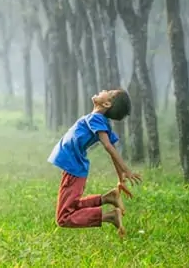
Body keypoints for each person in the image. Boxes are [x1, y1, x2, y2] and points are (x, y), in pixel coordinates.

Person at [47, 89, 142, 237]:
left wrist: (125, 169)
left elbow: (109, 146)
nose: (103, 90)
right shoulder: (100, 120)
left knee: (63, 218)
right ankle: (107, 198)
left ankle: (110, 217)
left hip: (74, 168)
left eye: (108, 92)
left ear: (106, 103)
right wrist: (120, 178)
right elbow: (112, 148)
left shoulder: (96, 119)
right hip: (74, 167)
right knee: (72, 206)